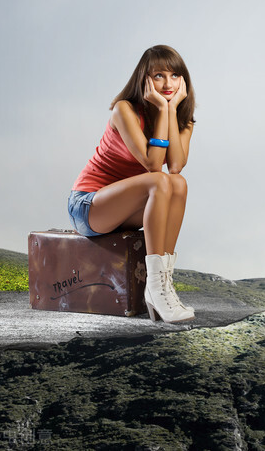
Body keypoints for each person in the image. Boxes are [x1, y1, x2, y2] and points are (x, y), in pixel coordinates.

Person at [67, 45, 197, 323]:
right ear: (144, 79)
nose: (167, 83)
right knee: (159, 182)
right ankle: (155, 288)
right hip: (89, 205)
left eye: (175, 76)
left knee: (179, 184)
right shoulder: (124, 110)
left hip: (127, 209)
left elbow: (175, 165)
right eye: (159, 75)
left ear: (183, 80)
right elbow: (153, 164)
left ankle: (163, 284)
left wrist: (171, 112)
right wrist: (163, 109)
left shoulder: (184, 120)